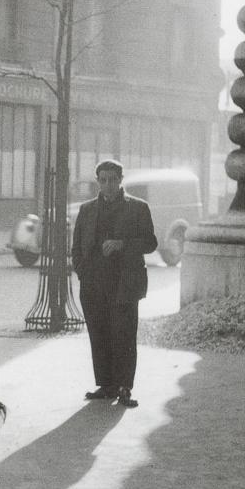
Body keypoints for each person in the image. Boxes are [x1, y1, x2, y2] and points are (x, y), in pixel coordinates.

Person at [71, 159, 157, 409]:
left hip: (124, 283)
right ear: (98, 181)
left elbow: (151, 243)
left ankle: (124, 388)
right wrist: (82, 273)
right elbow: (76, 247)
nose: (107, 184)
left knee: (124, 336)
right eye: (103, 179)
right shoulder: (86, 210)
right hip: (93, 284)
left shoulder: (138, 208)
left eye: (112, 179)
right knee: (99, 334)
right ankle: (106, 384)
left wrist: (122, 244)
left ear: (121, 180)